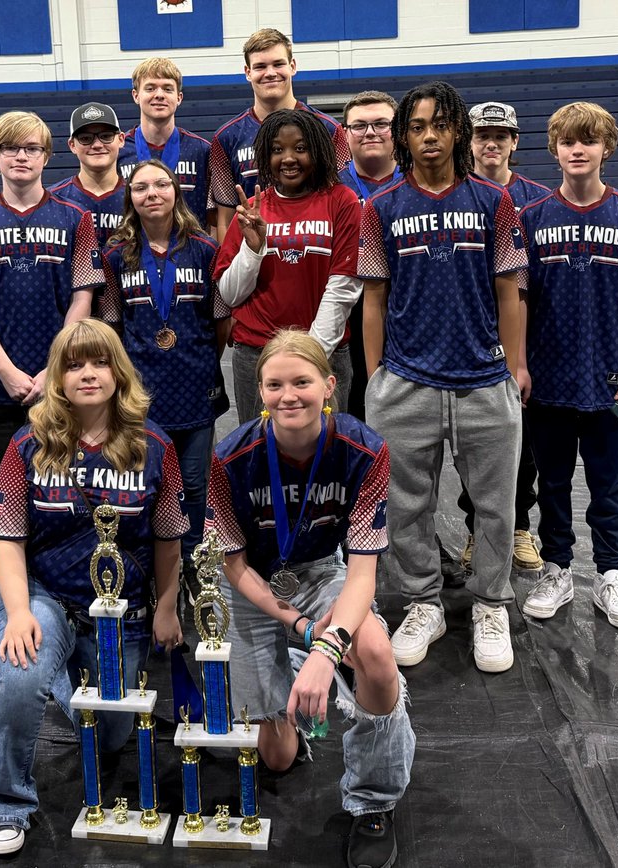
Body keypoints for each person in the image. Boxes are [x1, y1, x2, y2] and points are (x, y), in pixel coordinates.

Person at [0, 319, 187, 856]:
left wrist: (165, 607)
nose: (88, 374)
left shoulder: (155, 445)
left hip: (121, 613)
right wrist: (18, 610)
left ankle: (67, 685)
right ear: (58, 378)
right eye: (73, 364)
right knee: (20, 672)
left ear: (119, 371)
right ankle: (3, 802)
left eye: (99, 362)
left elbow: (167, 543)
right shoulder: (29, 444)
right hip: (47, 595)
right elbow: (6, 540)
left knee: (112, 738)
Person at [207, 329, 411, 868]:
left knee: (375, 655)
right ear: (260, 391)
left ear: (329, 386)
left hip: (322, 572)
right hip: (256, 585)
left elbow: (363, 575)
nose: (288, 395)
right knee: (276, 759)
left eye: (301, 382)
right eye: (274, 384)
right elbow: (234, 566)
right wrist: (301, 629)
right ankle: (295, 668)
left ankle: (373, 801)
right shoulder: (230, 459)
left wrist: (329, 648)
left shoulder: (365, 450)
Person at [360, 82, 527, 674]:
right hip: (406, 383)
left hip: (484, 381)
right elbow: (373, 299)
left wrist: (513, 367)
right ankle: (424, 602)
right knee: (406, 508)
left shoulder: (493, 202)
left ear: (457, 131)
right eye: (417, 126)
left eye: (439, 125)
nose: (429, 136)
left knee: (495, 507)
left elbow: (510, 292)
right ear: (404, 136)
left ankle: (490, 603)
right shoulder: (380, 207)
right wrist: (378, 376)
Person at [0, 110, 103, 640]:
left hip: (63, 382)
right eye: (11, 148)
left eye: (32, 148)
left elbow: (83, 296)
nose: (22, 156)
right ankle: (14, 594)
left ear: (47, 156)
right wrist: (6, 368)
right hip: (1, 387)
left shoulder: (74, 218)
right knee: (10, 492)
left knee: (73, 484)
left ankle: (76, 584)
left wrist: (51, 369)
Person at [517, 102, 618, 630]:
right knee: (552, 483)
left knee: (609, 486)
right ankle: (556, 569)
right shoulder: (531, 218)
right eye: (567, 142)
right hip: (548, 378)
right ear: (553, 149)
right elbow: (521, 301)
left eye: (588, 142)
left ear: (606, 148)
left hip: (611, 378)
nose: (577, 151)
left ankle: (610, 575)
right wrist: (520, 363)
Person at [101, 158, 229, 579]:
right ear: (130, 198)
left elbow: (220, 321)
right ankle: (144, 568)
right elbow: (112, 326)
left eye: (161, 185)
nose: (151, 193)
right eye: (141, 188)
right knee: (142, 485)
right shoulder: (116, 256)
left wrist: (201, 358)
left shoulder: (206, 249)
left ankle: (193, 569)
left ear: (176, 192)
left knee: (193, 486)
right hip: (140, 394)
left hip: (195, 387)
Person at [452, 102, 553, 574]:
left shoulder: (537, 201)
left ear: (515, 141)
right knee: (473, 442)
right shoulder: (453, 196)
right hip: (466, 338)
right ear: (468, 142)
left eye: (500, 135)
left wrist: (524, 354)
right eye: (481, 135)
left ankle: (517, 526)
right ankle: (477, 529)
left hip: (525, 338)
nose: (490, 143)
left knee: (523, 441)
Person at [215, 108, 361, 423]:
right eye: (277, 150)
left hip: (324, 355)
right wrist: (253, 249)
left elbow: (344, 285)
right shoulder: (254, 209)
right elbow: (229, 294)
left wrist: (307, 355)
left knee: (326, 460)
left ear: (319, 151)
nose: (288, 158)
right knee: (259, 458)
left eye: (300, 148)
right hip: (256, 354)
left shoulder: (342, 200)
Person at [209, 28, 350, 241]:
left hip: (315, 251)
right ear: (248, 72)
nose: (270, 73)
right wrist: (227, 268)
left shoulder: (328, 129)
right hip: (252, 253)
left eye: (278, 64)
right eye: (260, 66)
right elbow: (225, 218)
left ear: (292, 66)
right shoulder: (226, 137)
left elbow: (343, 203)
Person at [338, 90, 401, 422]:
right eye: (359, 126)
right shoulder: (330, 187)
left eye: (381, 123)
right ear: (345, 133)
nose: (370, 132)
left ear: (398, 129)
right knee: (354, 410)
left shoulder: (417, 182)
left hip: (405, 306)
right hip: (347, 309)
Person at [116, 57, 214, 229]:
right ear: (136, 95)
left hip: (191, 251)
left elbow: (215, 215)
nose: (159, 95)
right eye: (150, 88)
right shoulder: (119, 150)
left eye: (168, 89)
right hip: (133, 251)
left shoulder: (202, 150)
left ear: (179, 97)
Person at [49, 102, 127, 252]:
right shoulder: (53, 199)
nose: (97, 145)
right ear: (72, 145)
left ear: (121, 139)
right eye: (86, 138)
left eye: (106, 136)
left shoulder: (139, 196)